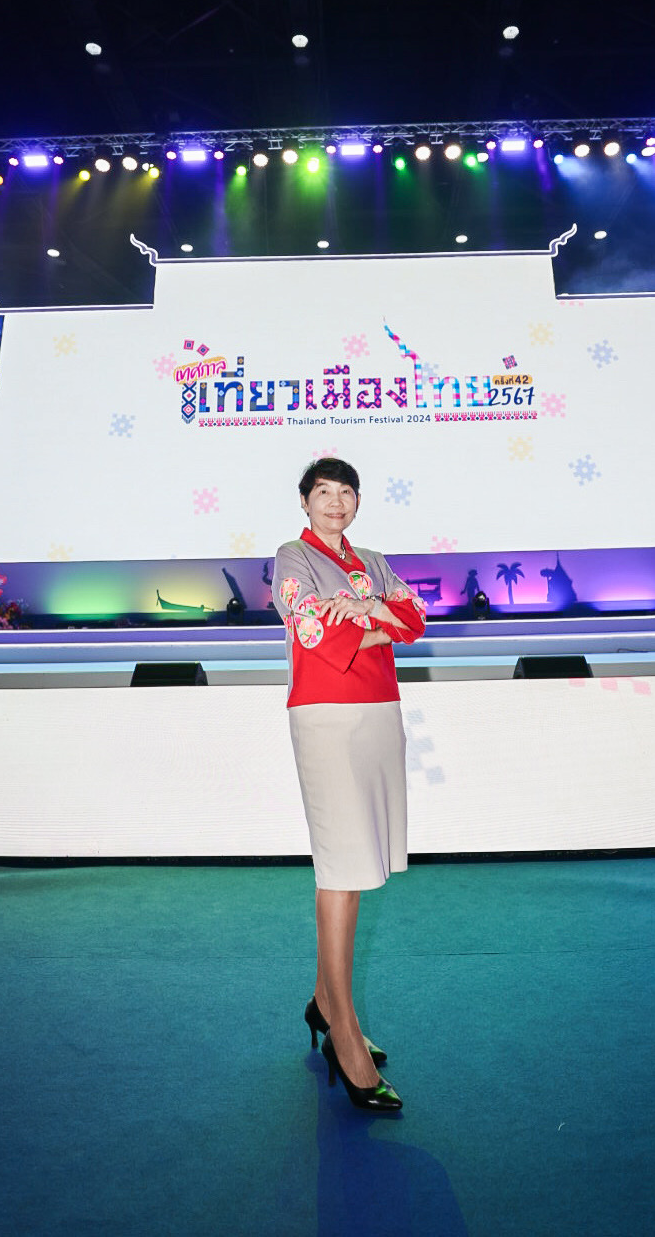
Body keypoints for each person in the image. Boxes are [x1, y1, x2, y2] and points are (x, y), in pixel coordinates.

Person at [272, 457, 427, 1112]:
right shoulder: (292, 556)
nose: (335, 502)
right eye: (322, 492)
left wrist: (364, 606)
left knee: (356, 864)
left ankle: (322, 1000)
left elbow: (417, 618)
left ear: (358, 502)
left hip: (378, 714)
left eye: (346, 493)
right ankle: (344, 1032)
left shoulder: (374, 561)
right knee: (340, 866)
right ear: (305, 502)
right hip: (326, 718)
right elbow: (311, 629)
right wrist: (379, 619)